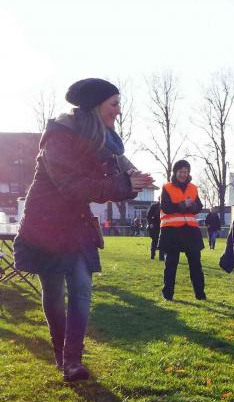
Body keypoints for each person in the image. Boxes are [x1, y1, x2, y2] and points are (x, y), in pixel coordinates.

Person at [13, 78, 153, 381]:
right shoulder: (59, 137)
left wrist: (135, 179)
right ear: (95, 106)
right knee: (54, 293)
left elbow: (119, 171)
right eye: (114, 104)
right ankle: (60, 353)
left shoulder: (105, 141)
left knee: (81, 287)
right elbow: (73, 186)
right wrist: (123, 183)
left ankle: (73, 360)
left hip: (77, 224)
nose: (118, 111)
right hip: (46, 225)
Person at [158, 159, 206, 301]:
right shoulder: (166, 187)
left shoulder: (193, 188)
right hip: (171, 231)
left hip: (190, 231)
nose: (183, 174)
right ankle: (168, 294)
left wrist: (193, 206)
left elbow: (199, 206)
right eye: (181, 172)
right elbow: (165, 207)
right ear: (175, 172)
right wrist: (182, 205)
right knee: (171, 264)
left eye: (185, 172)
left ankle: (200, 294)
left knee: (196, 264)